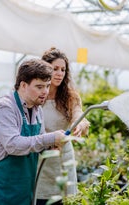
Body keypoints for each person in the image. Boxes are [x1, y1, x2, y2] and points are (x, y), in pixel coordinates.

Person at [0, 58, 66, 205]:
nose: (45, 92)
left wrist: (50, 146)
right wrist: (48, 139)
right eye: (39, 87)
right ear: (23, 85)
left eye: (47, 86)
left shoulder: (37, 110)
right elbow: (13, 145)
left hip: (23, 191)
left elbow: (37, 143)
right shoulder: (4, 107)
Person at [35, 47, 90, 205]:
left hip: (63, 158)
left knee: (63, 199)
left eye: (63, 69)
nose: (59, 73)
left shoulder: (70, 96)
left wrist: (79, 124)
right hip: (41, 158)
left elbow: (78, 113)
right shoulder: (36, 95)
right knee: (40, 198)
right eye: (55, 69)